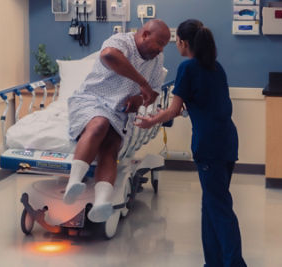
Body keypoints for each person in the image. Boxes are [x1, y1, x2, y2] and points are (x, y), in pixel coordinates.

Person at [135, 19, 247, 267]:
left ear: (184, 43)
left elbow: (173, 110)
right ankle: (214, 262)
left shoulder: (188, 68)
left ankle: (235, 263)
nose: (175, 46)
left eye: (175, 41)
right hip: (227, 140)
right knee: (211, 204)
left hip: (209, 145)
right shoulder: (217, 68)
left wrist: (151, 120)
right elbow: (211, 103)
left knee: (218, 208)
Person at [64, 19, 171, 224]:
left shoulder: (157, 60)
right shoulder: (121, 41)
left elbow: (154, 94)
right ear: (145, 34)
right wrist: (142, 83)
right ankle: (74, 182)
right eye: (159, 43)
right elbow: (109, 56)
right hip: (91, 99)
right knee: (99, 125)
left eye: (164, 45)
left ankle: (102, 203)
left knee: (111, 147)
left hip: (120, 111)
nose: (160, 49)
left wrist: (138, 99)